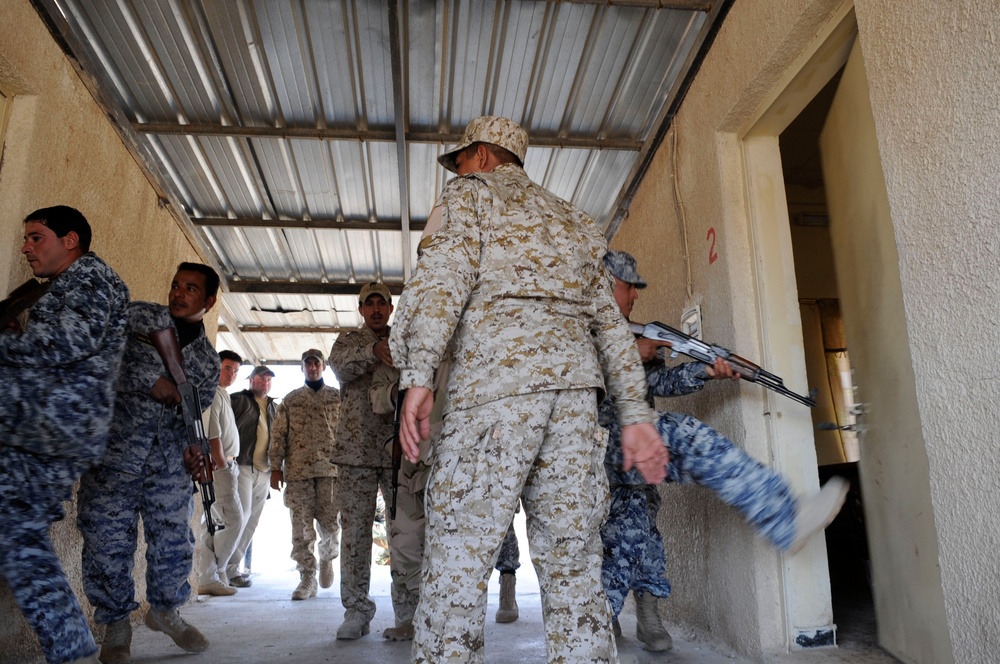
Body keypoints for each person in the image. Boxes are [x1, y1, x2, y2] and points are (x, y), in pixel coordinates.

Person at [390, 115, 667, 663]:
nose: (461, 169)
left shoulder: (468, 196)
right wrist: (635, 412)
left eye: (464, 158)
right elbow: (610, 323)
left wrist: (418, 375)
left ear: (485, 157)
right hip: (573, 407)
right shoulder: (576, 220)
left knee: (457, 566)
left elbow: (441, 281)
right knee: (575, 569)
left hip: (494, 397)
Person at [599, 250, 850, 652]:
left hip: (631, 458)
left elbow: (658, 386)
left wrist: (705, 368)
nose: (635, 297)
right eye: (629, 287)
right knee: (686, 435)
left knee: (634, 534)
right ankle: (784, 517)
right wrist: (628, 353)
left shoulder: (631, 334)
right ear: (607, 283)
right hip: (594, 446)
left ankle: (609, 625)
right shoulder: (581, 327)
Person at [0, 206, 129, 664]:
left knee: (18, 537)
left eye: (37, 237)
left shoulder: (90, 279)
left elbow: (66, 342)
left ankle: (71, 648)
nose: (26, 247)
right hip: (38, 427)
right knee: (18, 535)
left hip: (47, 430)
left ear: (69, 240)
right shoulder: (68, 286)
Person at [77, 262, 220, 664]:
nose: (178, 293)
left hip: (168, 465)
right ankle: (117, 626)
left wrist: (195, 449)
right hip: (114, 456)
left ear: (208, 301)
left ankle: (166, 611)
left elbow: (193, 413)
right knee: (107, 543)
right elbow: (94, 351)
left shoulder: (209, 362)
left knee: (175, 544)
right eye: (176, 285)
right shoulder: (138, 316)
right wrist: (144, 379)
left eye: (191, 289)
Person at [328, 281, 400, 640]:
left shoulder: (405, 337)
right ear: (361, 310)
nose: (375, 309)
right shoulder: (348, 341)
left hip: (397, 451)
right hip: (355, 454)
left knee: (403, 533)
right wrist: (374, 350)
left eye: (381, 303)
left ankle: (407, 611)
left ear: (390, 308)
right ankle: (356, 610)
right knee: (355, 535)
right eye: (368, 304)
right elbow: (339, 368)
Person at [269, 348, 342, 601]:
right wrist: (275, 467)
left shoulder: (337, 397)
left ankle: (328, 557)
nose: (312, 367)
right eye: (308, 364)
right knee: (301, 527)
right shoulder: (290, 400)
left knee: (331, 523)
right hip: (298, 471)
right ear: (302, 368)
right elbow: (278, 435)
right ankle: (307, 577)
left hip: (330, 470)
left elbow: (347, 433)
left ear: (323, 367)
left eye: (316, 363)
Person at [194, 349, 245, 597]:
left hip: (226, 464)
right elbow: (212, 432)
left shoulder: (222, 393)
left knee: (213, 523)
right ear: (216, 366)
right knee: (234, 520)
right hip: (219, 466)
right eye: (228, 368)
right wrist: (222, 463)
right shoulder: (212, 392)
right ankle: (215, 571)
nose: (232, 374)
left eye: (236, 371)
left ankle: (208, 575)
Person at [227, 364, 277, 587]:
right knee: (240, 516)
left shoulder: (274, 406)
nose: (265, 382)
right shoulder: (237, 400)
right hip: (242, 466)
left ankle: (232, 568)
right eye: (261, 378)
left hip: (264, 471)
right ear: (250, 380)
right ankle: (218, 568)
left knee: (252, 522)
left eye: (268, 379)